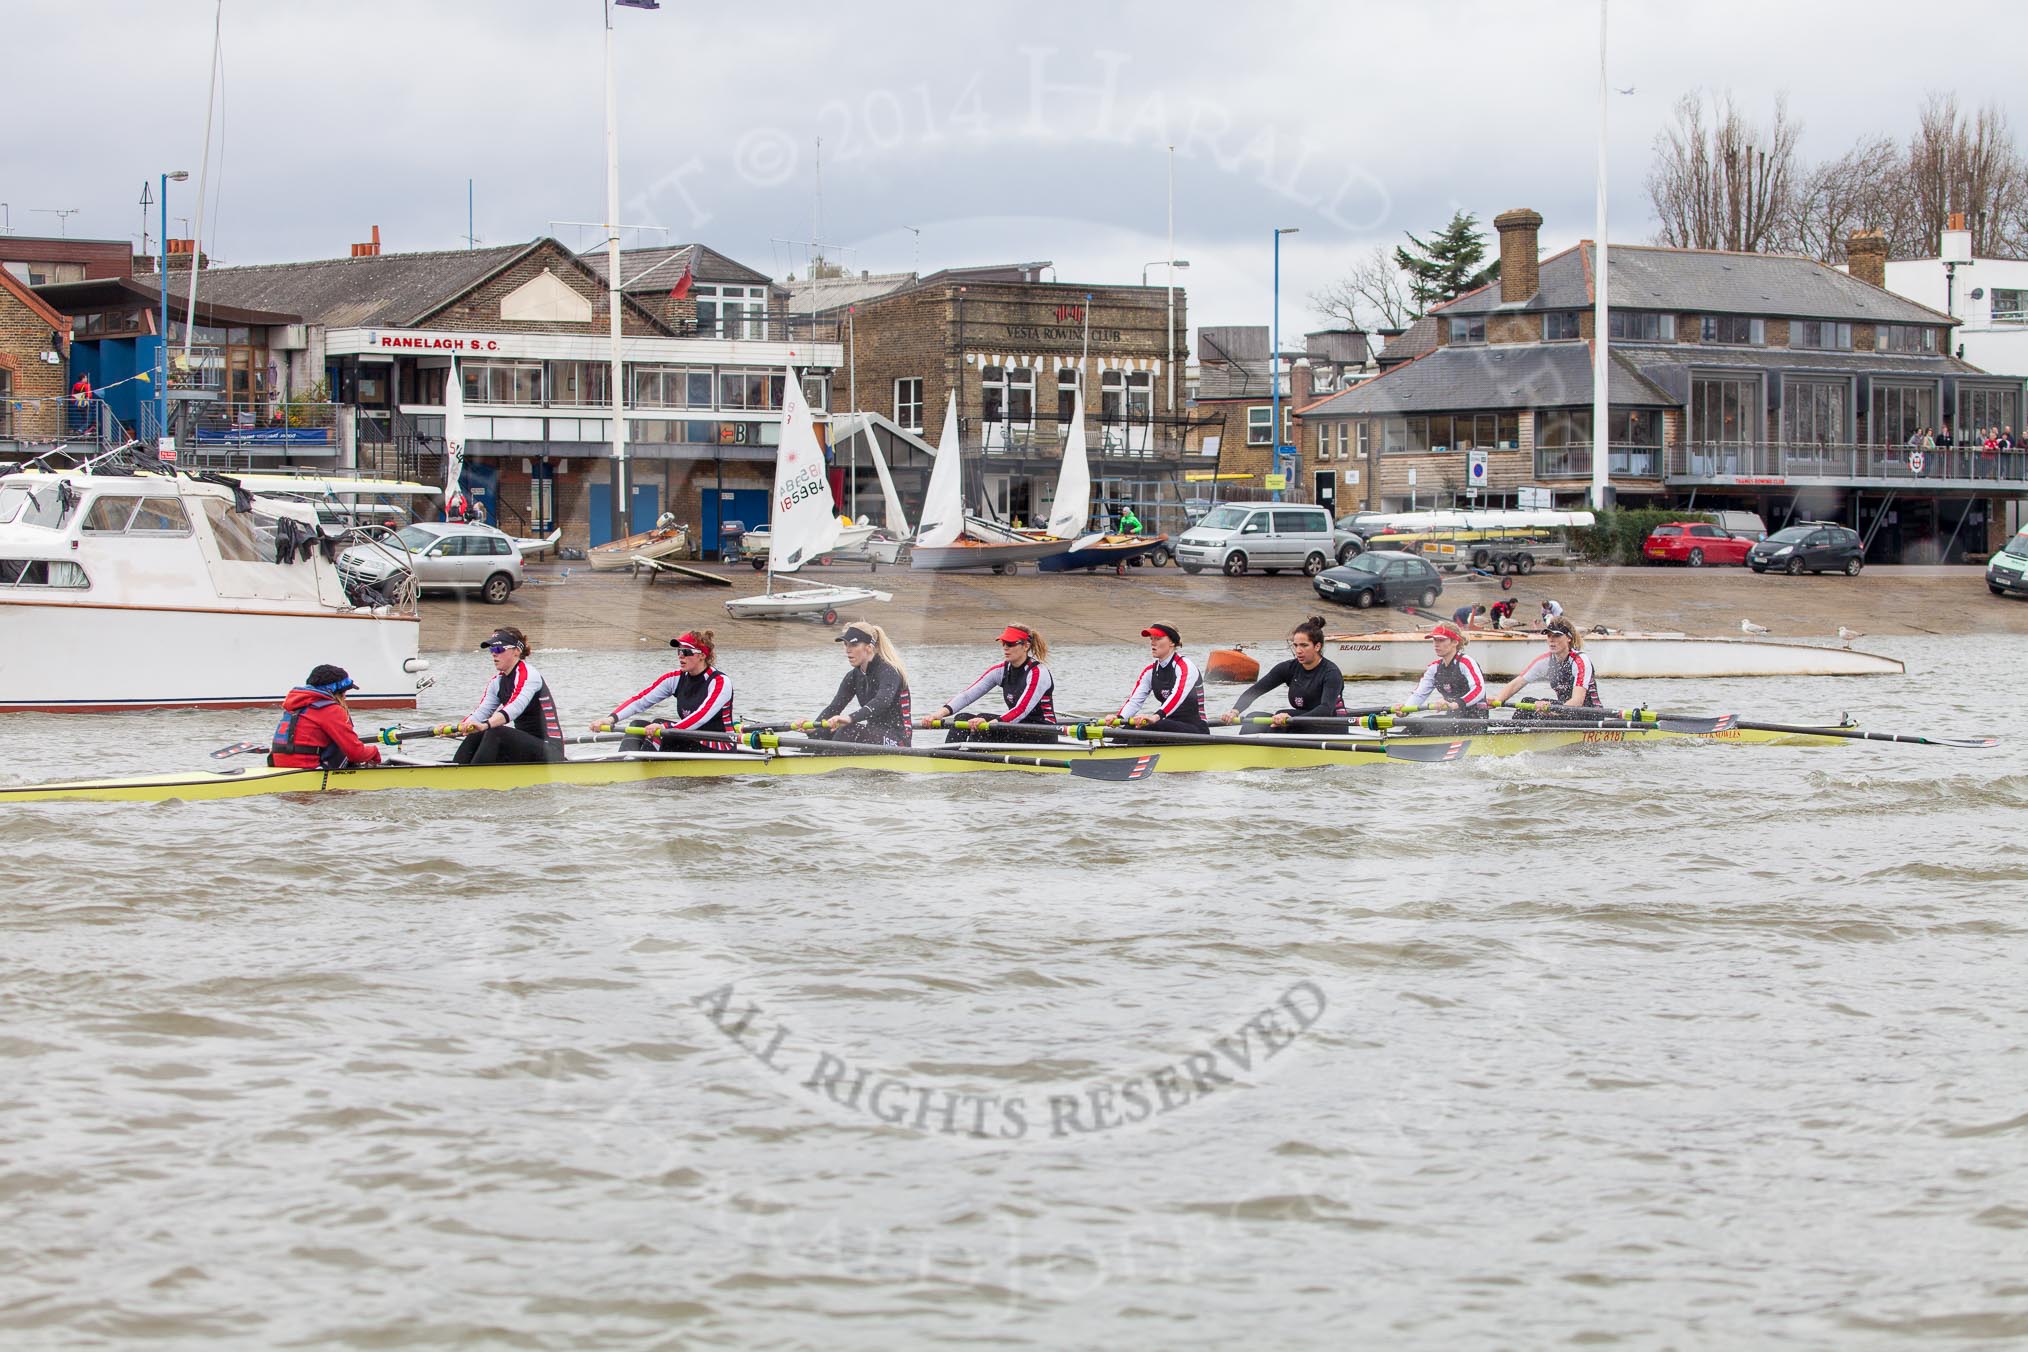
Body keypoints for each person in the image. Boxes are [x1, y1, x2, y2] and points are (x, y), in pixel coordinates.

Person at [601, 629, 736, 752]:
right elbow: (640, 701)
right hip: (689, 737)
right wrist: (611, 719)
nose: (680, 656)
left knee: (658, 726)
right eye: (679, 651)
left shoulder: (720, 682)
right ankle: (628, 764)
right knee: (638, 725)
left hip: (719, 744)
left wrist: (666, 727)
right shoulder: (675, 678)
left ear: (702, 655)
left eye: (686, 652)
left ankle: (639, 769)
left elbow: (701, 717)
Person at [929, 623, 1059, 744]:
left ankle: (971, 763)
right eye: (1003, 643)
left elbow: (1021, 710)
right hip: (1017, 726)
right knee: (962, 718)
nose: (1006, 648)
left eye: (1011, 643)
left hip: (1043, 732)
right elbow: (967, 696)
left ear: (1026, 646)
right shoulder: (1001, 670)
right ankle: (950, 758)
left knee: (982, 722)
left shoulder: (1038, 672)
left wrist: (991, 723)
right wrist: (938, 714)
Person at [454, 627, 565, 765]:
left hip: (550, 750)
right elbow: (482, 712)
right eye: (492, 650)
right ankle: (457, 770)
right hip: (523, 747)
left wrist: (485, 725)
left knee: (495, 732)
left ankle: (474, 778)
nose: (494, 654)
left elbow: (514, 707)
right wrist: (457, 728)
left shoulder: (529, 675)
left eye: (499, 649)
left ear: (517, 651)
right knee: (478, 732)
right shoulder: (497, 682)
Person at [1221, 615, 1345, 727]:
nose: (1298, 651)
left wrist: (1291, 719)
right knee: (1253, 717)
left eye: (1304, 645)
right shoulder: (1288, 668)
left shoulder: (1331, 673)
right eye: (1295, 645)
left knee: (1281, 719)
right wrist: (1234, 711)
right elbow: (1255, 690)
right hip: (1304, 720)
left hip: (1331, 723)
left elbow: (1325, 709)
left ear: (1317, 646)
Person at [812, 621, 912, 746]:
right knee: (822, 732)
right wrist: (814, 727)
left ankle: (827, 762)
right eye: (845, 644)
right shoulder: (854, 676)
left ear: (869, 647)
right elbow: (834, 707)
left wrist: (850, 718)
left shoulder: (889, 671)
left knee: (848, 730)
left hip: (898, 739)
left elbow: (882, 702)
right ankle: (807, 762)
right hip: (875, 735)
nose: (848, 650)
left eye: (853, 645)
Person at [269, 664, 382, 769]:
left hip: (279, 766)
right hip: (307, 769)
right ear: (338, 692)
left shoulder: (295, 706)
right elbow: (356, 753)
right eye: (345, 692)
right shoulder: (330, 710)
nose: (345, 697)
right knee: (346, 748)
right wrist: (374, 752)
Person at [1495, 616, 1602, 714]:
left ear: (1568, 638)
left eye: (1557, 635)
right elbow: (1516, 684)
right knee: (1527, 703)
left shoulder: (1580, 661)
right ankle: (1515, 733)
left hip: (1589, 713)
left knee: (1545, 706)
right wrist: (1496, 701)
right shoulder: (1545, 661)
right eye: (1549, 635)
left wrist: (1553, 712)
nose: (1551, 639)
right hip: (1565, 710)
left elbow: (1577, 701)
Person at [1114, 623, 1208, 733]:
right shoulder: (1150, 672)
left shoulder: (1185, 666)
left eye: (1158, 638)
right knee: (1128, 729)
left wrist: (1156, 717)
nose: (1153, 643)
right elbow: (1135, 701)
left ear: (1172, 642)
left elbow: (1177, 695)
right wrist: (1119, 719)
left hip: (1195, 728)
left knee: (1148, 727)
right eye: (1151, 639)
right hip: (1167, 724)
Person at [1407, 622, 1488, 716]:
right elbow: (1419, 694)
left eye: (1441, 640)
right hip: (1452, 717)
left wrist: (1457, 703)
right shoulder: (1434, 668)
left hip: (1475, 718)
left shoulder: (1466, 662)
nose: (1436, 644)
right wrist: (1405, 710)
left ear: (1455, 642)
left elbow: (1478, 688)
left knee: (1429, 727)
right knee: (1415, 727)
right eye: (1434, 640)